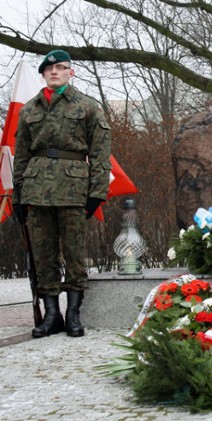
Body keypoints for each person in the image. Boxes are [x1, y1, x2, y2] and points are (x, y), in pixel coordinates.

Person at [12, 50, 112, 338]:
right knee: (43, 255)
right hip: (36, 189)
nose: (55, 71)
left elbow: (100, 153)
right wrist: (18, 196)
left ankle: (73, 314)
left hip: (73, 189)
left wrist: (97, 193)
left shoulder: (87, 107)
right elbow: (21, 156)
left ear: (71, 73)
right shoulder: (29, 110)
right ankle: (52, 315)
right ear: (43, 74)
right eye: (49, 68)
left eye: (61, 67)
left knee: (74, 253)